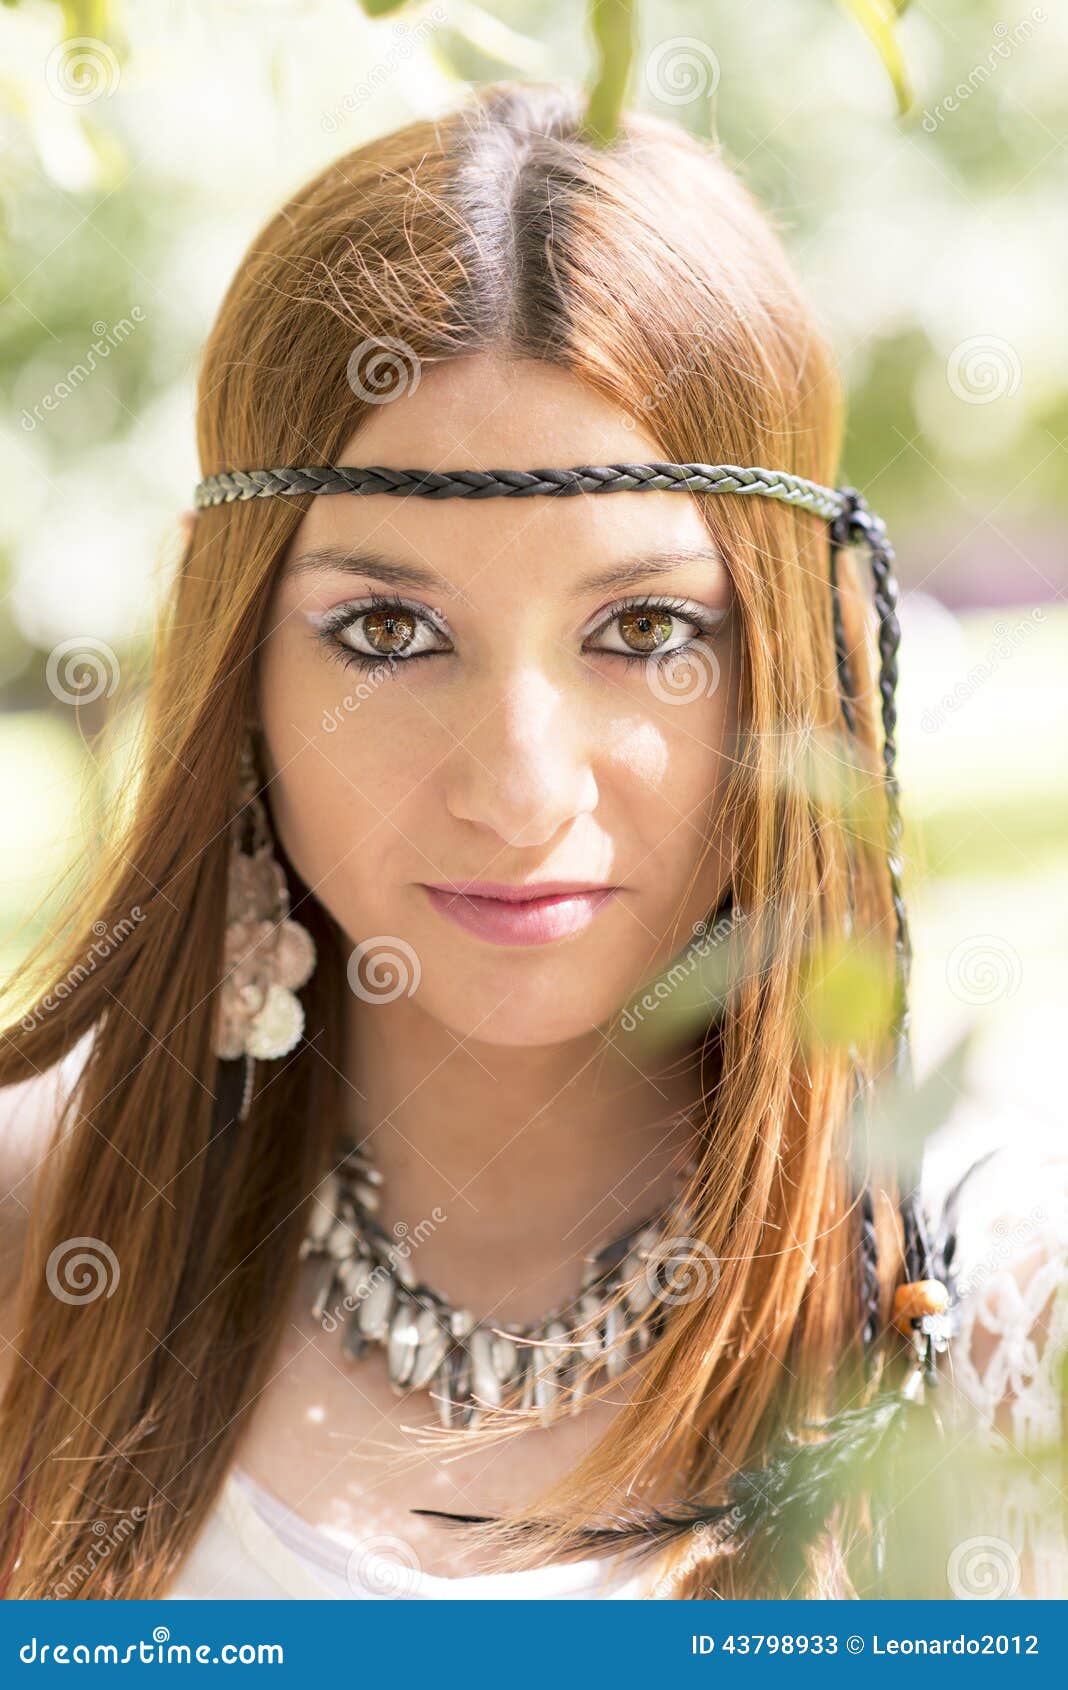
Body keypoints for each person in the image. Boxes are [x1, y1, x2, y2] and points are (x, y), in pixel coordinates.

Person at [0, 80, 1064, 1602]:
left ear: (811, 653)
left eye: (643, 627)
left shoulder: (1003, 1322)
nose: (515, 785)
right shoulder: (35, 1254)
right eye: (387, 627)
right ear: (221, 642)